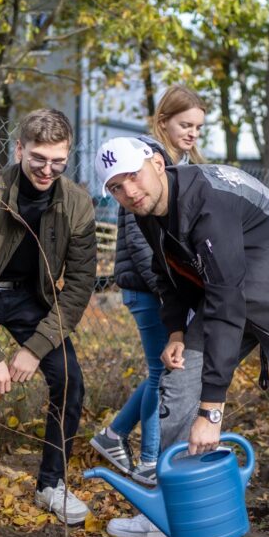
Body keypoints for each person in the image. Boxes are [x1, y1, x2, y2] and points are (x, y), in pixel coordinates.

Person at [97, 136, 269, 537]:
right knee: (178, 383)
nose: (128, 191)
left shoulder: (206, 201)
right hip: (231, 290)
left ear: (157, 163)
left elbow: (227, 301)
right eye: (116, 187)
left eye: (133, 177)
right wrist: (177, 330)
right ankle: (170, 508)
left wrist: (212, 410)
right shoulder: (149, 210)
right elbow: (166, 273)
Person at [0, 108, 97, 525]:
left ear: (68, 156)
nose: (47, 170)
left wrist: (34, 348)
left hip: (35, 301)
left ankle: (52, 483)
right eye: (38, 159)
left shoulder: (78, 205)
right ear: (19, 149)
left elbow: (81, 285)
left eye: (58, 162)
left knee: (69, 379)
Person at [91, 136, 175, 485]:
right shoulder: (134, 180)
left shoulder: (157, 174)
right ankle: (150, 462)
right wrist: (170, 298)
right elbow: (144, 252)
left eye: (198, 127)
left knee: (160, 373)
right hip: (148, 293)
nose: (192, 133)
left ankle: (114, 435)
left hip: (153, 292)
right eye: (184, 124)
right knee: (164, 376)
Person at [150, 85, 206, 165]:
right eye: (185, 126)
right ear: (163, 121)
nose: (193, 134)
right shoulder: (144, 158)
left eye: (198, 128)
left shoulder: (192, 164)